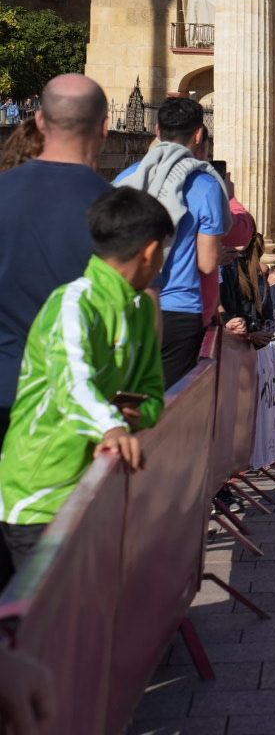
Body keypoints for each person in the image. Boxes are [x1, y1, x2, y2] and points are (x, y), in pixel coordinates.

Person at [0, 188, 172, 581]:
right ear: (149, 252)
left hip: (96, 492)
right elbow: (72, 383)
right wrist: (111, 424)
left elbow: (153, 394)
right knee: (46, 632)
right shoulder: (73, 303)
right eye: (163, 252)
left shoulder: (141, 308)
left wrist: (135, 414)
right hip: (41, 496)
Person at [0, 75, 112, 449]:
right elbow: (142, 316)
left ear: (41, 121)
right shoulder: (121, 212)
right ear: (104, 127)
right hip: (78, 402)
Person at [115, 97, 231, 387]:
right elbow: (206, 263)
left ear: (157, 130)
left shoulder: (127, 179)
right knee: (165, 412)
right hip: (179, 310)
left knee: (119, 398)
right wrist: (221, 254)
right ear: (199, 135)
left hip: (126, 304)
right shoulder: (206, 186)